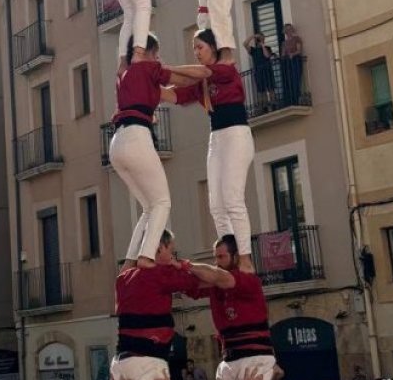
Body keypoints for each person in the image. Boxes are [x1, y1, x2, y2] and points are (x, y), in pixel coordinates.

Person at [112, 230, 234, 380]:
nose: (172, 257)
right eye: (172, 251)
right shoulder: (159, 273)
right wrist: (186, 265)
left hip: (120, 363)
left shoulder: (123, 278)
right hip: (146, 362)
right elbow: (213, 281)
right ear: (159, 248)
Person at [162, 29, 256, 273]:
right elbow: (177, 95)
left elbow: (199, 73)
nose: (196, 52)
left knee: (233, 199)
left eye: (200, 47)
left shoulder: (225, 69)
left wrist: (165, 68)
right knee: (216, 204)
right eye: (194, 48)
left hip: (236, 133)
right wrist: (146, 84)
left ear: (214, 48)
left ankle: (245, 257)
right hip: (217, 137)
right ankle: (230, 254)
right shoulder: (203, 81)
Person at [112, 34, 209, 267]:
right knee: (162, 202)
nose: (159, 59)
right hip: (137, 137)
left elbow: (177, 95)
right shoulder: (147, 68)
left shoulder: (125, 75)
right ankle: (146, 257)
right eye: (157, 54)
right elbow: (183, 81)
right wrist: (209, 72)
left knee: (148, 207)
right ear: (147, 53)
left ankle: (130, 262)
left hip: (117, 143)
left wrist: (197, 89)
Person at [185, 235, 275, 380]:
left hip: (253, 357)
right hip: (230, 358)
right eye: (215, 257)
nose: (216, 262)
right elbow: (191, 286)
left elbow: (219, 277)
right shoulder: (215, 282)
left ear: (235, 257)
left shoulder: (247, 279)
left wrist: (184, 265)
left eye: (221, 257)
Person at [244, 34, 276, 111]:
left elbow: (267, 56)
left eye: (263, 38)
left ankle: (273, 104)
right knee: (261, 89)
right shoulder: (253, 50)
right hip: (259, 71)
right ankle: (264, 106)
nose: (261, 39)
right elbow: (245, 44)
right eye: (260, 38)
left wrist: (262, 45)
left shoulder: (267, 48)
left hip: (267, 70)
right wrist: (253, 36)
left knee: (271, 87)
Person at [281, 24, 305, 106]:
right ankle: (291, 100)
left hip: (295, 62)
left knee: (296, 80)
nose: (289, 32)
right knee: (290, 81)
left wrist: (293, 54)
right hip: (288, 64)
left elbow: (299, 50)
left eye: (290, 29)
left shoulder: (297, 39)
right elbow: (283, 54)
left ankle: (297, 99)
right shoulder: (284, 43)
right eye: (287, 30)